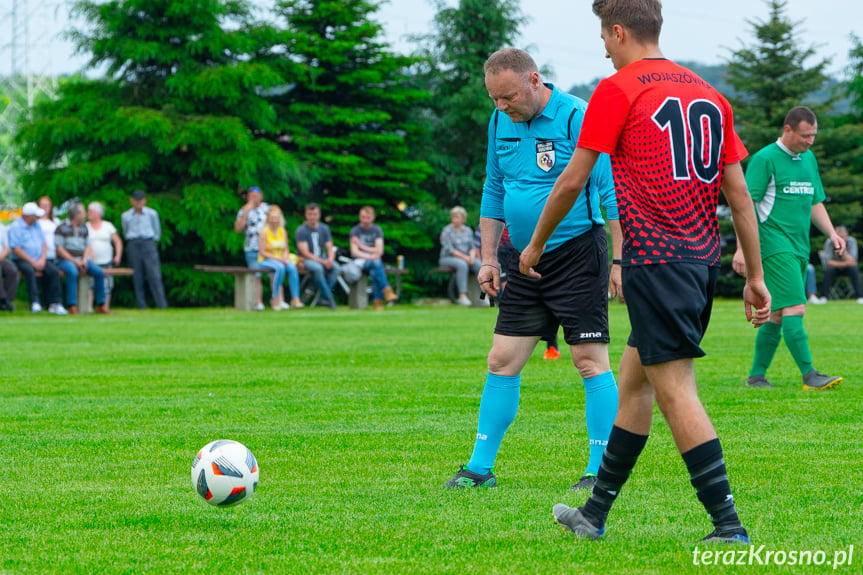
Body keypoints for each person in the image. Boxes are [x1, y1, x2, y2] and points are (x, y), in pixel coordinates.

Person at [520, 0, 770, 544]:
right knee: (635, 383)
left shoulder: (619, 90)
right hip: (699, 263)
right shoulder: (709, 94)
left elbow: (571, 182)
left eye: (603, 38)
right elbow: (741, 197)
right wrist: (753, 272)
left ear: (618, 30)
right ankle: (595, 513)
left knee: (676, 388)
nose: (603, 49)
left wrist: (535, 244)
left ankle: (727, 525)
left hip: (657, 262)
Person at [444, 48, 620, 493]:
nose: (501, 107)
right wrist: (487, 257)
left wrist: (620, 258)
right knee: (501, 360)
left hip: (577, 254)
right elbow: (495, 187)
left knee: (588, 360)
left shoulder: (577, 116)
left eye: (507, 97)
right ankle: (479, 468)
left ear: (534, 81)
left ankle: (599, 471)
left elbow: (608, 189)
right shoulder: (500, 119)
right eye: (494, 99)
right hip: (519, 259)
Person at [734, 106, 845, 391]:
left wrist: (832, 233)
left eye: (814, 136)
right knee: (796, 307)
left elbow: (815, 201)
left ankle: (756, 377)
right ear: (787, 130)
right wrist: (741, 250)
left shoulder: (808, 160)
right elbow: (744, 206)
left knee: (777, 313)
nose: (810, 142)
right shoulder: (765, 159)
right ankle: (810, 375)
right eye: (805, 136)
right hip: (773, 245)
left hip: (799, 246)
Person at [8, 202, 66, 314]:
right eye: (35, 215)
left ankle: (55, 303)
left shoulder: (36, 225)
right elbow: (17, 249)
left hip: (40, 258)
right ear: (28, 216)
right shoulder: (16, 227)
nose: (38, 217)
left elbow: (44, 244)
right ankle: (34, 302)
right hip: (22, 259)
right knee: (29, 270)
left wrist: (42, 259)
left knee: (53, 271)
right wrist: (33, 262)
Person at [55, 203, 109, 315]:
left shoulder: (84, 228)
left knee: (99, 272)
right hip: (65, 260)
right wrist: (74, 261)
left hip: (82, 259)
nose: (85, 216)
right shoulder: (61, 228)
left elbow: (88, 246)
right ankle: (72, 305)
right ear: (76, 215)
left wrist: (84, 260)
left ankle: (101, 304)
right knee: (72, 271)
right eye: (83, 213)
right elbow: (59, 249)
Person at [121, 190, 167, 309]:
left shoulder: (152, 214)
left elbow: (157, 231)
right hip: (133, 243)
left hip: (148, 242)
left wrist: (152, 242)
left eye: (140, 200)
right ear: (131, 201)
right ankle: (141, 305)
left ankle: (161, 304)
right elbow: (126, 231)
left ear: (145, 201)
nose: (138, 203)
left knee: (154, 274)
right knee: (137, 275)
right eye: (136, 201)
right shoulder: (125, 216)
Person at [349, 206, 398, 311]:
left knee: (375, 271)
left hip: (373, 261)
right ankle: (385, 291)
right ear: (359, 217)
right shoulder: (355, 231)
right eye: (363, 217)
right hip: (360, 262)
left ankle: (378, 302)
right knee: (376, 263)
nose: (365, 220)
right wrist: (370, 255)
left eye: (368, 217)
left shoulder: (377, 230)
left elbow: (380, 250)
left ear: (373, 218)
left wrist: (361, 246)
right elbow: (354, 252)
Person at [295, 203, 340, 310]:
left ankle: (322, 297)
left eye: (315, 214)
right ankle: (329, 299)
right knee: (318, 268)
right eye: (310, 214)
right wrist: (323, 262)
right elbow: (305, 253)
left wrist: (330, 259)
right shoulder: (301, 230)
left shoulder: (324, 228)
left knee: (336, 267)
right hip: (306, 260)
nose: (312, 217)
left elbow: (329, 246)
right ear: (306, 215)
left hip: (321, 257)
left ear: (319, 215)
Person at [258, 204, 303, 311]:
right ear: (269, 219)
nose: (275, 221)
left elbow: (286, 248)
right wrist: (278, 259)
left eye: (277, 219)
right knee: (280, 268)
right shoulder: (264, 233)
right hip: (266, 260)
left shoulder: (282, 231)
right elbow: (262, 252)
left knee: (292, 267)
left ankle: (295, 298)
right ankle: (275, 298)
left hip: (280, 259)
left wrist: (284, 257)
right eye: (272, 219)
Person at [234, 186, 270, 311]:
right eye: (250, 196)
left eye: (255, 196)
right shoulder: (243, 210)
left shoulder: (268, 209)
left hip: (269, 250)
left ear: (261, 196)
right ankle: (258, 302)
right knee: (256, 275)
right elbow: (238, 229)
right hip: (252, 248)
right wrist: (245, 212)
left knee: (273, 274)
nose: (253, 198)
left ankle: (277, 301)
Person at [438, 206, 482, 307]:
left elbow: (472, 246)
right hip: (448, 258)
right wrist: (465, 258)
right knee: (462, 265)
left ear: (463, 218)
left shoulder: (467, 230)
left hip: (466, 257)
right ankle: (462, 296)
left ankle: (483, 296)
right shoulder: (446, 230)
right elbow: (450, 249)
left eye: (457, 217)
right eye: (453, 217)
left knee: (479, 265)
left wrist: (471, 256)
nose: (455, 219)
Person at [87, 201, 123, 312]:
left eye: (91, 212)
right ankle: (88, 308)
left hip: (106, 261)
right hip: (91, 262)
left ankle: (104, 307)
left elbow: (117, 241)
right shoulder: (86, 226)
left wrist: (118, 255)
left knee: (107, 285)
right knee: (89, 285)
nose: (89, 214)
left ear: (99, 214)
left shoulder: (108, 226)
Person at [820, 226, 863, 303]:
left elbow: (853, 261)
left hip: (848, 268)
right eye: (838, 237)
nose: (840, 239)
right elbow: (828, 262)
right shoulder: (829, 242)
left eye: (842, 237)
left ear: (847, 236)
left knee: (854, 269)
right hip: (833, 268)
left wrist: (842, 251)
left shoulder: (852, 241)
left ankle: (859, 296)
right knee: (828, 270)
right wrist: (846, 263)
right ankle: (824, 297)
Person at [0, 223, 20, 311]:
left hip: (1, 258)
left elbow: (6, 247)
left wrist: (1, 256)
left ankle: (7, 300)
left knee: (12, 270)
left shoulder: (1, 227)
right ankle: (3, 299)